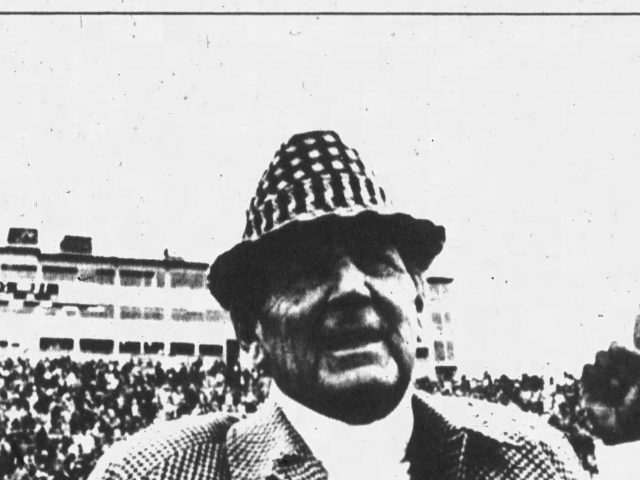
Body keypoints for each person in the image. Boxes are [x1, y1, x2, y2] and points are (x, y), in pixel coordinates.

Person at [89, 130, 586, 480]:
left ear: (418, 301)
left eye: (374, 260)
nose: (351, 287)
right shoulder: (153, 473)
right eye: (308, 270)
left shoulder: (532, 462)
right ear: (249, 329)